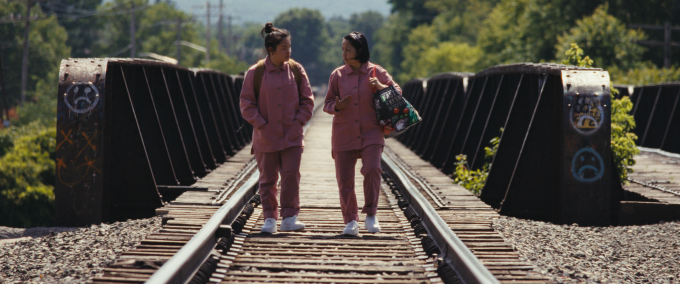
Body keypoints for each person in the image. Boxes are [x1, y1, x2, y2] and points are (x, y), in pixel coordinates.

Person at [324, 31, 402, 235]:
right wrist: (337, 106)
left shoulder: (377, 71)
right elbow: (328, 103)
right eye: (342, 49)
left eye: (348, 49)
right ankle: (350, 220)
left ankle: (371, 214)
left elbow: (397, 92)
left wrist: (381, 86)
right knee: (345, 179)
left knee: (372, 169)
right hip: (344, 133)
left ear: (360, 50)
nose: (344, 53)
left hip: (372, 132)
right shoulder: (337, 75)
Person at [240, 22, 314, 234]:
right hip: (266, 137)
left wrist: (299, 121)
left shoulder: (296, 70)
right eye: (284, 48)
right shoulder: (255, 73)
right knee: (267, 179)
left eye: (289, 47)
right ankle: (270, 219)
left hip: (292, 136)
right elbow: (246, 103)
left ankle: (289, 218)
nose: (288, 52)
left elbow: (307, 101)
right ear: (270, 50)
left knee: (291, 176)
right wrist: (261, 124)